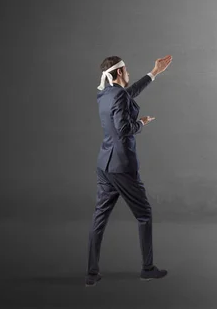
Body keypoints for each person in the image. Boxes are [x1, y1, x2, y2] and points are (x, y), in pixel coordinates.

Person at [86, 55, 173, 287]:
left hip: (104, 165)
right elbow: (124, 129)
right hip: (122, 167)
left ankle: (91, 273)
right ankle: (147, 268)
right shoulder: (118, 95)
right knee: (144, 214)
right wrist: (142, 123)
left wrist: (154, 73)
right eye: (125, 70)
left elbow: (128, 94)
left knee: (99, 219)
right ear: (118, 74)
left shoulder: (104, 95)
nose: (128, 73)